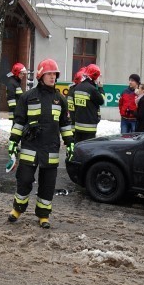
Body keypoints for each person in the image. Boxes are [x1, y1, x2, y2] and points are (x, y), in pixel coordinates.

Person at [6, 58, 74, 229]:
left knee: (48, 184)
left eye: (54, 74)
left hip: (50, 148)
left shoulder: (60, 100)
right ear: (40, 75)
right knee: (24, 179)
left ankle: (43, 215)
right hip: (30, 146)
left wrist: (70, 143)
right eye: (49, 74)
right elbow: (19, 122)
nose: (52, 77)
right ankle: (17, 209)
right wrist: (13, 142)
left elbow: (65, 125)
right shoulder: (28, 97)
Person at [71, 63, 105, 142]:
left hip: (78, 126)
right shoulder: (92, 89)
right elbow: (101, 101)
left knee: (78, 148)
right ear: (94, 76)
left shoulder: (77, 87)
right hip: (89, 127)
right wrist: (100, 88)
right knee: (87, 150)